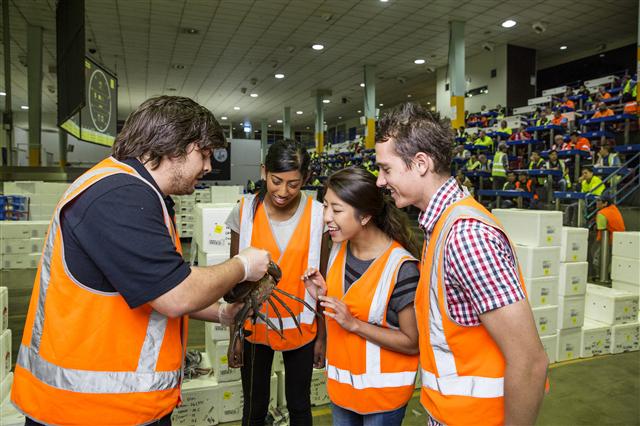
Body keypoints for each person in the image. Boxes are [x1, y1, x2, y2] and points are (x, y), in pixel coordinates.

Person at [11, 96, 272, 425]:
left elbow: (155, 284)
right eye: (203, 153)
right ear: (172, 147)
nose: (208, 166)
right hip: (88, 410)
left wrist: (223, 313)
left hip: (117, 406)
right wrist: (243, 266)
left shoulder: (141, 195)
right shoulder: (117, 195)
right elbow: (177, 294)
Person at [374, 103, 548, 425]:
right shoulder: (441, 226)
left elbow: (530, 361)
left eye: (386, 169)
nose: (381, 182)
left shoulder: (465, 237)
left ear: (421, 163)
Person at [302, 167, 420, 426]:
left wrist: (354, 324)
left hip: (382, 399)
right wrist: (323, 296)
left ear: (365, 215)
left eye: (336, 209)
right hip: (343, 391)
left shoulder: (402, 268)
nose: (326, 217)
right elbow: (345, 305)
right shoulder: (337, 249)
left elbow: (412, 342)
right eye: (325, 207)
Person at [226, 139, 330, 426]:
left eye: (294, 184)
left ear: (306, 179)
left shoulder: (319, 215)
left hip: (302, 329)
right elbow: (233, 281)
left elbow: (324, 282)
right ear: (264, 172)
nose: (283, 192)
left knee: (299, 405)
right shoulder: (244, 211)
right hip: (253, 328)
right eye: (276, 181)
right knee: (254, 407)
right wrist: (235, 337)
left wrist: (322, 336)